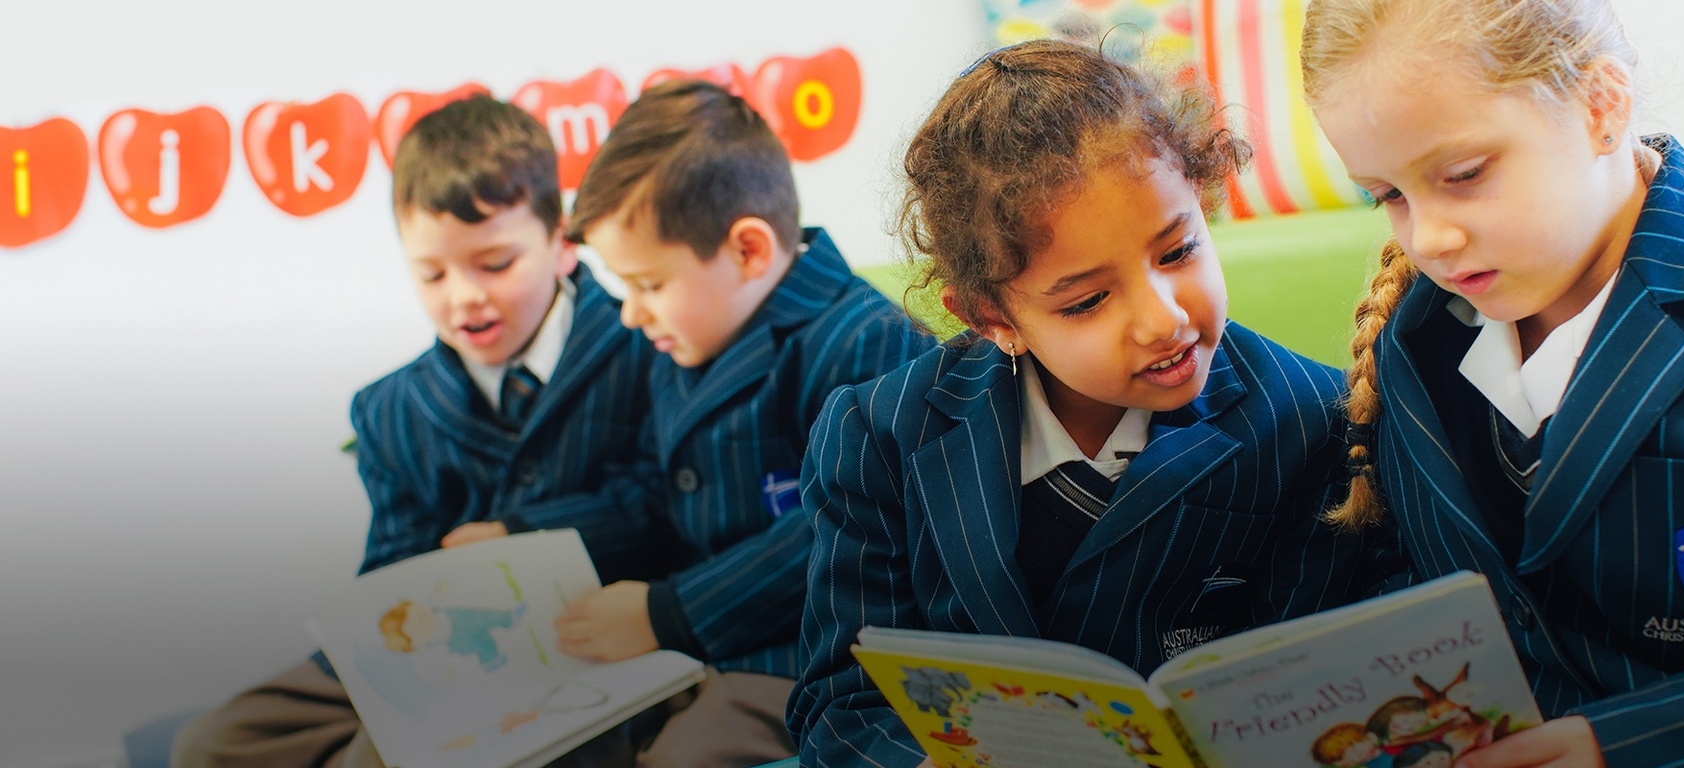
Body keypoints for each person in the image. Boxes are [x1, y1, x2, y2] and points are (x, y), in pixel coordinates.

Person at [1301, 0, 1684, 765]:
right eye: (1387, 195)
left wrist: (1619, 748)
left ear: (1602, 105)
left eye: (1464, 175)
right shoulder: (1414, 340)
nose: (1428, 238)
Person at [787, 39, 1386, 767]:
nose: (1164, 318)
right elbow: (841, 703)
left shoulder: (1312, 421)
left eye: (1178, 251)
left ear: (1201, 200)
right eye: (1089, 300)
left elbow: (1315, 701)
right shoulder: (877, 437)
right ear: (992, 318)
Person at [173, 95, 674, 768]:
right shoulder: (390, 409)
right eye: (432, 273)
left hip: (589, 646)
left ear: (561, 244)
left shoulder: (646, 344)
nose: (463, 296)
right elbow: (393, 556)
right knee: (211, 747)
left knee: (381, 756)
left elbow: (663, 503)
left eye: (495, 264)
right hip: (438, 654)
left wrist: (515, 534)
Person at [559, 78, 933, 766]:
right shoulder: (685, 339)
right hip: (701, 650)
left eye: (648, 285)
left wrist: (668, 613)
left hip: (815, 660)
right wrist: (527, 534)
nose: (632, 315)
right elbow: (655, 487)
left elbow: (838, 533)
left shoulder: (866, 340)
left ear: (749, 251)